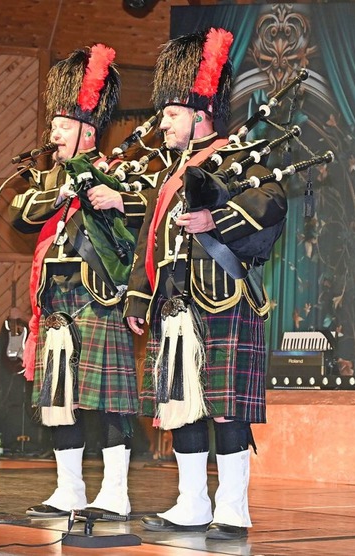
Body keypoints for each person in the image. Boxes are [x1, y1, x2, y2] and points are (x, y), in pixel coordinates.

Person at [125, 28, 288, 541]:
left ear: (201, 114)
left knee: (226, 406)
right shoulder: (169, 174)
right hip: (174, 305)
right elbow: (149, 241)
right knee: (183, 404)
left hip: (221, 296)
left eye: (171, 113)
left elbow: (271, 204)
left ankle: (233, 509)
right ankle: (191, 503)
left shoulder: (238, 155)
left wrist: (218, 222)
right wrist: (139, 295)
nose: (163, 123)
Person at [8, 44, 147, 519]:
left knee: (108, 403)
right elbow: (19, 214)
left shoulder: (117, 173)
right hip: (58, 303)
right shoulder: (47, 180)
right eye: (54, 125)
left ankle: (115, 493)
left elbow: (139, 222)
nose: (53, 133)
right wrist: (62, 187)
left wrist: (103, 193)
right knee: (59, 401)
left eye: (62, 125)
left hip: (99, 295)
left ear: (88, 129)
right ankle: (69, 491)